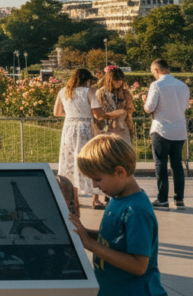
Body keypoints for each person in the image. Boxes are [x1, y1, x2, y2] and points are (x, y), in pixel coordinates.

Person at [70, 135, 166, 296]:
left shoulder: (136, 211)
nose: (94, 185)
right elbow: (114, 239)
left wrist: (90, 244)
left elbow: (138, 266)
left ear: (120, 172)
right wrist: (86, 234)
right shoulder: (117, 199)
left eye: (98, 179)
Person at [142, 59, 190, 210]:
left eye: (152, 72)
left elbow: (149, 108)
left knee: (160, 164)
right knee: (177, 165)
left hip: (161, 129)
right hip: (179, 130)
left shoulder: (156, 85)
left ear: (156, 70)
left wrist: (144, 100)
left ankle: (162, 199)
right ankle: (179, 199)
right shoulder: (183, 86)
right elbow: (184, 106)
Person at [54, 68, 105, 208]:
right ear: (87, 80)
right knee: (92, 160)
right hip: (85, 129)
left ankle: (73, 198)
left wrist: (73, 114)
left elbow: (57, 112)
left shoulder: (63, 91)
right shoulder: (90, 91)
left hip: (69, 129)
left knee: (69, 162)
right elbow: (98, 114)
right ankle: (95, 199)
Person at [93, 66, 135, 145]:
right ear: (109, 79)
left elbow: (129, 112)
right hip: (106, 129)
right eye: (116, 79)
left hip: (122, 128)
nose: (119, 82)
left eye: (121, 79)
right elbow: (96, 114)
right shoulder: (100, 93)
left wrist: (130, 128)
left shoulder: (126, 93)